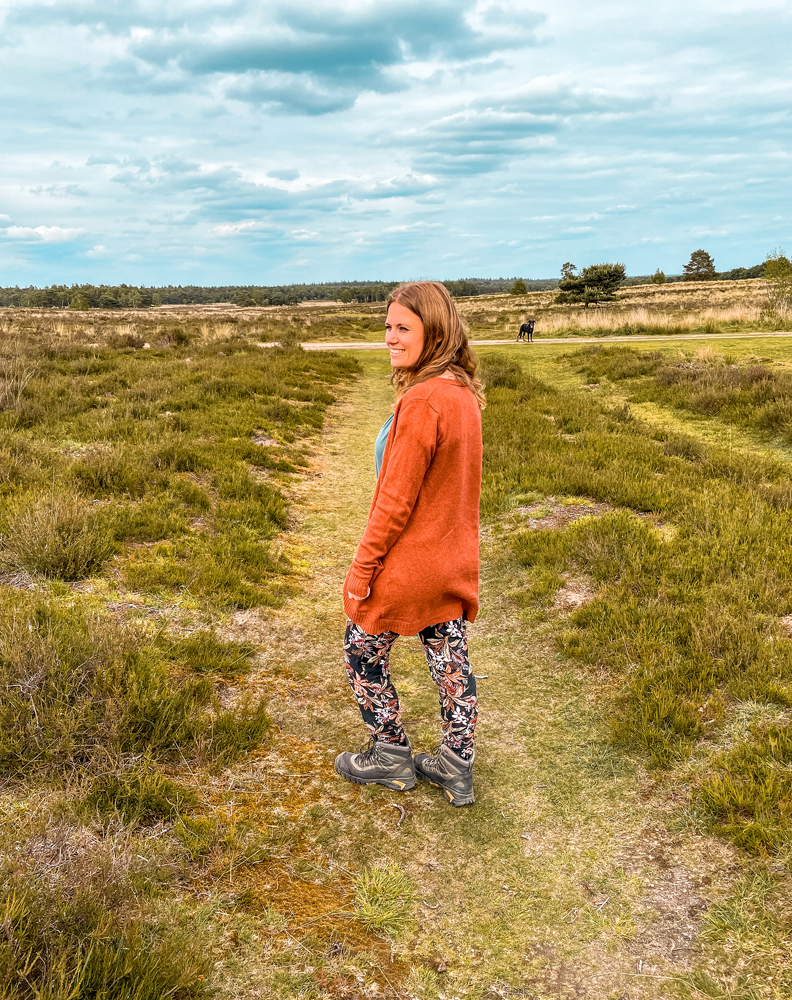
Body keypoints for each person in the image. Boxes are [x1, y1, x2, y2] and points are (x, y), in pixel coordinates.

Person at [334, 281, 485, 807]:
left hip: (415, 559)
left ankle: (391, 754)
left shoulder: (423, 401)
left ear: (435, 331)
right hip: (453, 556)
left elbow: (394, 504)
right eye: (388, 327)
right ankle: (456, 764)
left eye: (403, 328)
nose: (391, 338)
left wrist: (361, 572)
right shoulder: (460, 390)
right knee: (449, 657)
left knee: (362, 649)